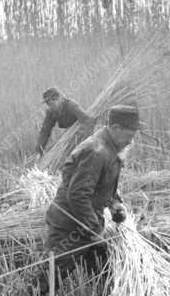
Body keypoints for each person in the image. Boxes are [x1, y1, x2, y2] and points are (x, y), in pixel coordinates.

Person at [43, 104, 140, 279]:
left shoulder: (110, 149)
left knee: (102, 271)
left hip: (86, 221)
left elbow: (102, 184)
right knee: (50, 277)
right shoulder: (96, 152)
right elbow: (78, 194)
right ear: (116, 128)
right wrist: (94, 228)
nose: (131, 142)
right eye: (130, 136)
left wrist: (114, 203)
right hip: (69, 225)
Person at [36, 88, 94, 159]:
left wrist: (82, 138)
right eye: (48, 104)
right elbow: (45, 131)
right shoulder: (51, 112)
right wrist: (39, 150)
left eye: (50, 103)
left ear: (57, 98)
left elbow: (88, 121)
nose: (49, 106)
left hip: (80, 133)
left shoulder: (71, 106)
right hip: (69, 135)